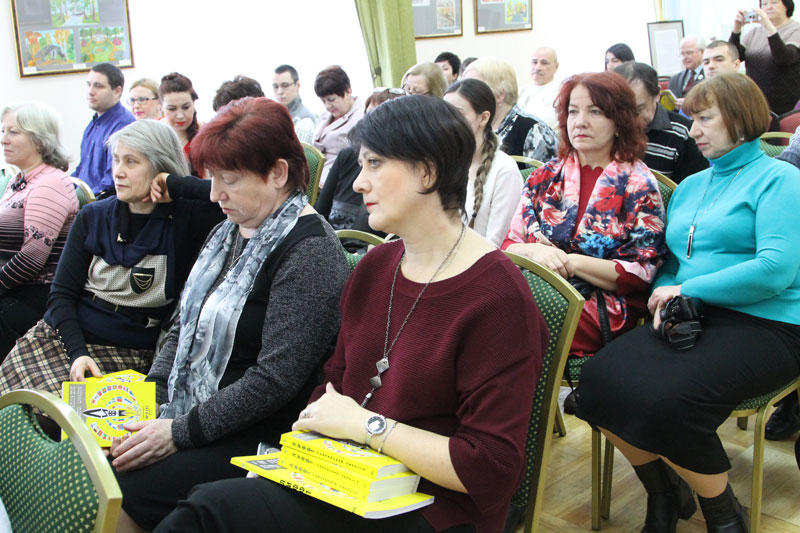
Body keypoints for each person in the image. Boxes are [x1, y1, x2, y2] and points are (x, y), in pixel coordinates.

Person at [155, 94, 547, 533]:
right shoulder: (376, 266)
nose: (359, 183)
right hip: (347, 476)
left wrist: (367, 426)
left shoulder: (498, 297)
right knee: (211, 504)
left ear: (428, 171)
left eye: (375, 164)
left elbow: (491, 468)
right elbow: (333, 388)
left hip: (430, 508)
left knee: (212, 511)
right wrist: (291, 459)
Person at [109, 97, 349, 532]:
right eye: (212, 177)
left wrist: (177, 432)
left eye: (230, 180)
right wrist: (152, 399)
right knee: (98, 454)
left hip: (259, 432)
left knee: (122, 484)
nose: (215, 193)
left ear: (278, 173)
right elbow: (184, 327)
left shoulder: (310, 253)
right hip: (198, 415)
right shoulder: (228, 232)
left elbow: (274, 380)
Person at [576, 73, 800, 533]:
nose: (693, 130)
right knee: (594, 384)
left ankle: (722, 512)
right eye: (691, 119)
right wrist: (667, 294)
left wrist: (686, 289)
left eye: (705, 119)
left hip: (769, 321)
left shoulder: (781, 179)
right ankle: (663, 491)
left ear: (741, 120)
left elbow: (774, 270)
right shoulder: (692, 186)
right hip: (694, 316)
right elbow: (675, 263)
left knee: (670, 403)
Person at [0, 120, 223, 399]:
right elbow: (61, 295)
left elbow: (226, 197)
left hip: (127, 354)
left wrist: (175, 184)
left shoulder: (187, 217)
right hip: (64, 339)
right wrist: (78, 353)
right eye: (116, 160)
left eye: (131, 162)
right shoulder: (94, 216)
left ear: (160, 166)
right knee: (13, 409)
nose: (118, 171)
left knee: (63, 419)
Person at [501, 72, 667, 411]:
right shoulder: (546, 175)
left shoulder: (638, 183)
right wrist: (534, 250)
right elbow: (509, 245)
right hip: (537, 289)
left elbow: (640, 273)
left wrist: (570, 262)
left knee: (502, 326)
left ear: (619, 121)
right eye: (573, 112)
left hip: (605, 304)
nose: (580, 122)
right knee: (482, 311)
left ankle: (513, 422)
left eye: (595, 112)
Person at [0, 103, 79, 358]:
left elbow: (32, 259)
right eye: (3, 131)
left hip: (33, 294)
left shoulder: (50, 183)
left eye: (13, 132)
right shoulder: (20, 180)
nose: (3, 139)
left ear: (39, 140)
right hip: (14, 288)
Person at [315, 88, 403, 251]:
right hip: (330, 251)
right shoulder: (348, 156)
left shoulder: (402, 175)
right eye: (368, 117)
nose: (371, 128)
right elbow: (319, 215)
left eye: (380, 121)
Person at [444, 79, 522, 246]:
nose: (445, 122)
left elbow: (496, 245)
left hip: (479, 260)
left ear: (483, 118)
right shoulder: (445, 163)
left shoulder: (504, 170)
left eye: (457, 114)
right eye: (443, 114)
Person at [615, 62, 709, 183]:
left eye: (638, 110)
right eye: (622, 110)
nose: (630, 118)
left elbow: (693, 188)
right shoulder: (611, 129)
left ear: (657, 94)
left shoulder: (683, 133)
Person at [463, 57, 558, 163]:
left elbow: (549, 172)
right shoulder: (470, 126)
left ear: (500, 94)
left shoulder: (533, 130)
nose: (464, 96)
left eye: (473, 89)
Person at [73, 62, 135, 197]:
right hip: (86, 200)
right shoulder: (94, 123)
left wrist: (82, 200)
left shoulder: (123, 125)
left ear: (117, 91)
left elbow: (111, 181)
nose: (90, 91)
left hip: (101, 202)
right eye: (88, 85)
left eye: (98, 86)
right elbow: (81, 170)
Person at [730, 0, 800, 114]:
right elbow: (733, 56)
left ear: (787, 6)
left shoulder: (796, 29)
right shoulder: (754, 32)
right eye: (765, 4)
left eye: (774, 3)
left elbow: (784, 58)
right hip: (754, 102)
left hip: (786, 106)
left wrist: (768, 26)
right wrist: (736, 29)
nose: (769, 7)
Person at [313, 65, 364, 188]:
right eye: (323, 101)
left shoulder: (361, 117)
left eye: (331, 99)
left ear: (348, 91)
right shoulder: (325, 115)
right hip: (317, 178)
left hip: (339, 182)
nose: (327, 106)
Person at [159, 72, 200, 165]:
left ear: (193, 104)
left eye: (186, 107)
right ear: (161, 106)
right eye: (172, 109)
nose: (180, 116)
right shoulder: (152, 132)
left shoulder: (205, 135)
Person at [518, 46, 561, 130]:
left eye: (544, 63)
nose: (537, 67)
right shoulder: (522, 92)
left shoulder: (558, 94)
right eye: (534, 62)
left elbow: (541, 123)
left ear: (556, 67)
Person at [273, 65, 317, 144]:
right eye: (275, 86)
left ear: (298, 85)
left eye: (285, 85)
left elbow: (300, 152)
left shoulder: (305, 120)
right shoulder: (272, 116)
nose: (280, 91)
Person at [668, 36, 706, 110]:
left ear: (702, 52)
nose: (685, 57)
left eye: (689, 53)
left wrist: (691, 104)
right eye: (682, 54)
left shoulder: (710, 77)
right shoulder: (674, 80)